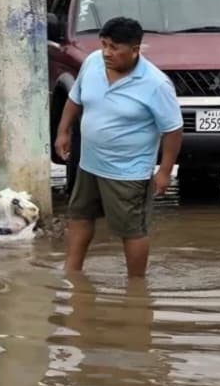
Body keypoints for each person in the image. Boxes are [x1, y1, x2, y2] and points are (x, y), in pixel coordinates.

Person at [55, 17, 183, 278]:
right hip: (89, 164)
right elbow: (75, 99)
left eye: (114, 47)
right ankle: (72, 272)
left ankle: (136, 285)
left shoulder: (156, 84)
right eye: (103, 44)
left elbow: (173, 129)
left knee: (132, 230)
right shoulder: (92, 62)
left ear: (135, 50)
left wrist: (164, 171)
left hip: (128, 172)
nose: (106, 52)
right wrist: (63, 131)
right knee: (79, 216)